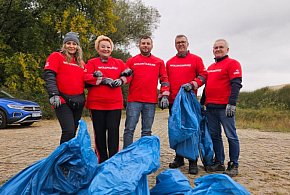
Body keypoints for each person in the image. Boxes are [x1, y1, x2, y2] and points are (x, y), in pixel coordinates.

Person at [84, 35, 131, 163]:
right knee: (99, 133)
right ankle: (101, 159)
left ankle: (113, 159)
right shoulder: (92, 62)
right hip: (96, 104)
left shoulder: (119, 62)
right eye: (103, 47)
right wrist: (102, 80)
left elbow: (129, 75)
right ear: (98, 49)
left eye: (108, 47)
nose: (106, 49)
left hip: (114, 104)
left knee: (113, 132)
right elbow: (85, 77)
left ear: (111, 49)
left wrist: (120, 80)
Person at [201, 39, 242, 177]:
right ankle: (219, 162)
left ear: (227, 49)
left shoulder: (233, 63)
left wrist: (232, 103)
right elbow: (207, 87)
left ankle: (234, 164)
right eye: (215, 47)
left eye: (221, 47)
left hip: (225, 108)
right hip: (211, 108)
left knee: (231, 135)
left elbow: (236, 84)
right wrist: (203, 103)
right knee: (215, 136)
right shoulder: (211, 67)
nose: (218, 49)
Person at [166, 34, 207, 174]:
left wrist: (193, 84)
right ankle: (179, 158)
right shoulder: (169, 62)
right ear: (175, 45)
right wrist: (163, 95)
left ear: (187, 44)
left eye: (183, 42)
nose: (180, 44)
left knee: (191, 131)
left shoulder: (196, 59)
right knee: (177, 129)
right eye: (178, 42)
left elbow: (203, 75)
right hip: (174, 102)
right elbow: (166, 81)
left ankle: (193, 161)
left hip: (189, 102)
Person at [122, 36, 170, 149]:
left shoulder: (159, 62)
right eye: (143, 43)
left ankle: (144, 154)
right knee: (129, 129)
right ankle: (126, 155)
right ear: (139, 45)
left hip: (150, 102)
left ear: (151, 45)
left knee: (147, 131)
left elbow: (164, 79)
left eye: (148, 43)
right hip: (134, 100)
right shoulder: (131, 61)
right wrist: (122, 77)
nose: (145, 45)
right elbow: (126, 79)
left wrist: (164, 95)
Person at [44, 32, 85, 145]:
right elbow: (49, 75)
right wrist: (53, 94)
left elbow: (87, 80)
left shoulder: (80, 62)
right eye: (68, 43)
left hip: (78, 101)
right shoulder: (56, 56)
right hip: (62, 100)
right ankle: (61, 159)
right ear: (64, 45)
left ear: (78, 46)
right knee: (68, 131)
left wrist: (98, 77)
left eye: (74, 43)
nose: (71, 46)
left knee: (73, 133)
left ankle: (69, 158)